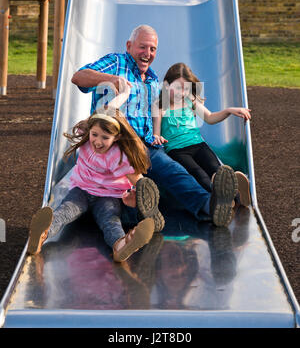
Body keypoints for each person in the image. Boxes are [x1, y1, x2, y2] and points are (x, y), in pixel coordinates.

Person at [71, 24, 240, 228]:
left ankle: (210, 207)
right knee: (130, 184)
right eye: (143, 47)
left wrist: (190, 103)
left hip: (147, 146)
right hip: (117, 144)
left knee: (175, 170)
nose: (147, 53)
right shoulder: (116, 63)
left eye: (152, 49)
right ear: (129, 45)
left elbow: (165, 109)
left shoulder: (153, 81)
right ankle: (144, 217)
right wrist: (111, 79)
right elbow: (79, 77)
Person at [27, 108, 165, 262]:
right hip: (81, 190)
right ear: (90, 130)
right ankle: (41, 235)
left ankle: (121, 246)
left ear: (117, 137)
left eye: (105, 137)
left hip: (108, 196)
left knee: (110, 221)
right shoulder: (86, 138)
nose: (98, 141)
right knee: (65, 210)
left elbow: (139, 181)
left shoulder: (118, 156)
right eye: (95, 134)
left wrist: (137, 194)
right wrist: (107, 110)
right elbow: (98, 119)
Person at [152, 62, 251, 206]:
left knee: (216, 170)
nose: (182, 92)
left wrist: (229, 110)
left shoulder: (190, 100)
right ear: (167, 85)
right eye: (178, 88)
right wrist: (157, 137)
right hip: (177, 150)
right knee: (198, 173)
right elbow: (156, 132)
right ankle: (224, 199)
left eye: (186, 88)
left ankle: (237, 196)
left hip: (198, 144)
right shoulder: (160, 105)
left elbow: (210, 117)